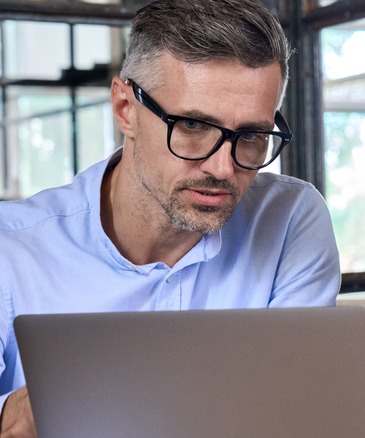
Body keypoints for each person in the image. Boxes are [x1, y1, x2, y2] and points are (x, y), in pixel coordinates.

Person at [0, 0, 341, 435]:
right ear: (126, 109)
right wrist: (20, 416)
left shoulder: (291, 219)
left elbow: (298, 416)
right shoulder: (10, 248)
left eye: (252, 136)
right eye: (193, 127)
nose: (222, 169)